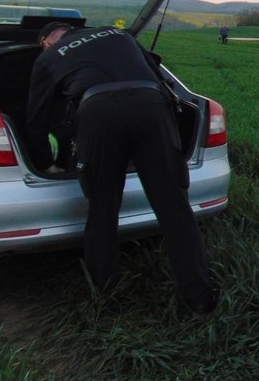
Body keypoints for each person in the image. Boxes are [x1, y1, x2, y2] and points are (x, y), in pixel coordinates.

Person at [26, 22, 219, 317]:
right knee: (174, 208)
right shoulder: (117, 34)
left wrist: (45, 163)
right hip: (151, 105)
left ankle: (106, 298)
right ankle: (199, 300)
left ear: (45, 42)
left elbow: (36, 120)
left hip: (98, 112)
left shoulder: (49, 57)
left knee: (103, 207)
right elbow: (155, 70)